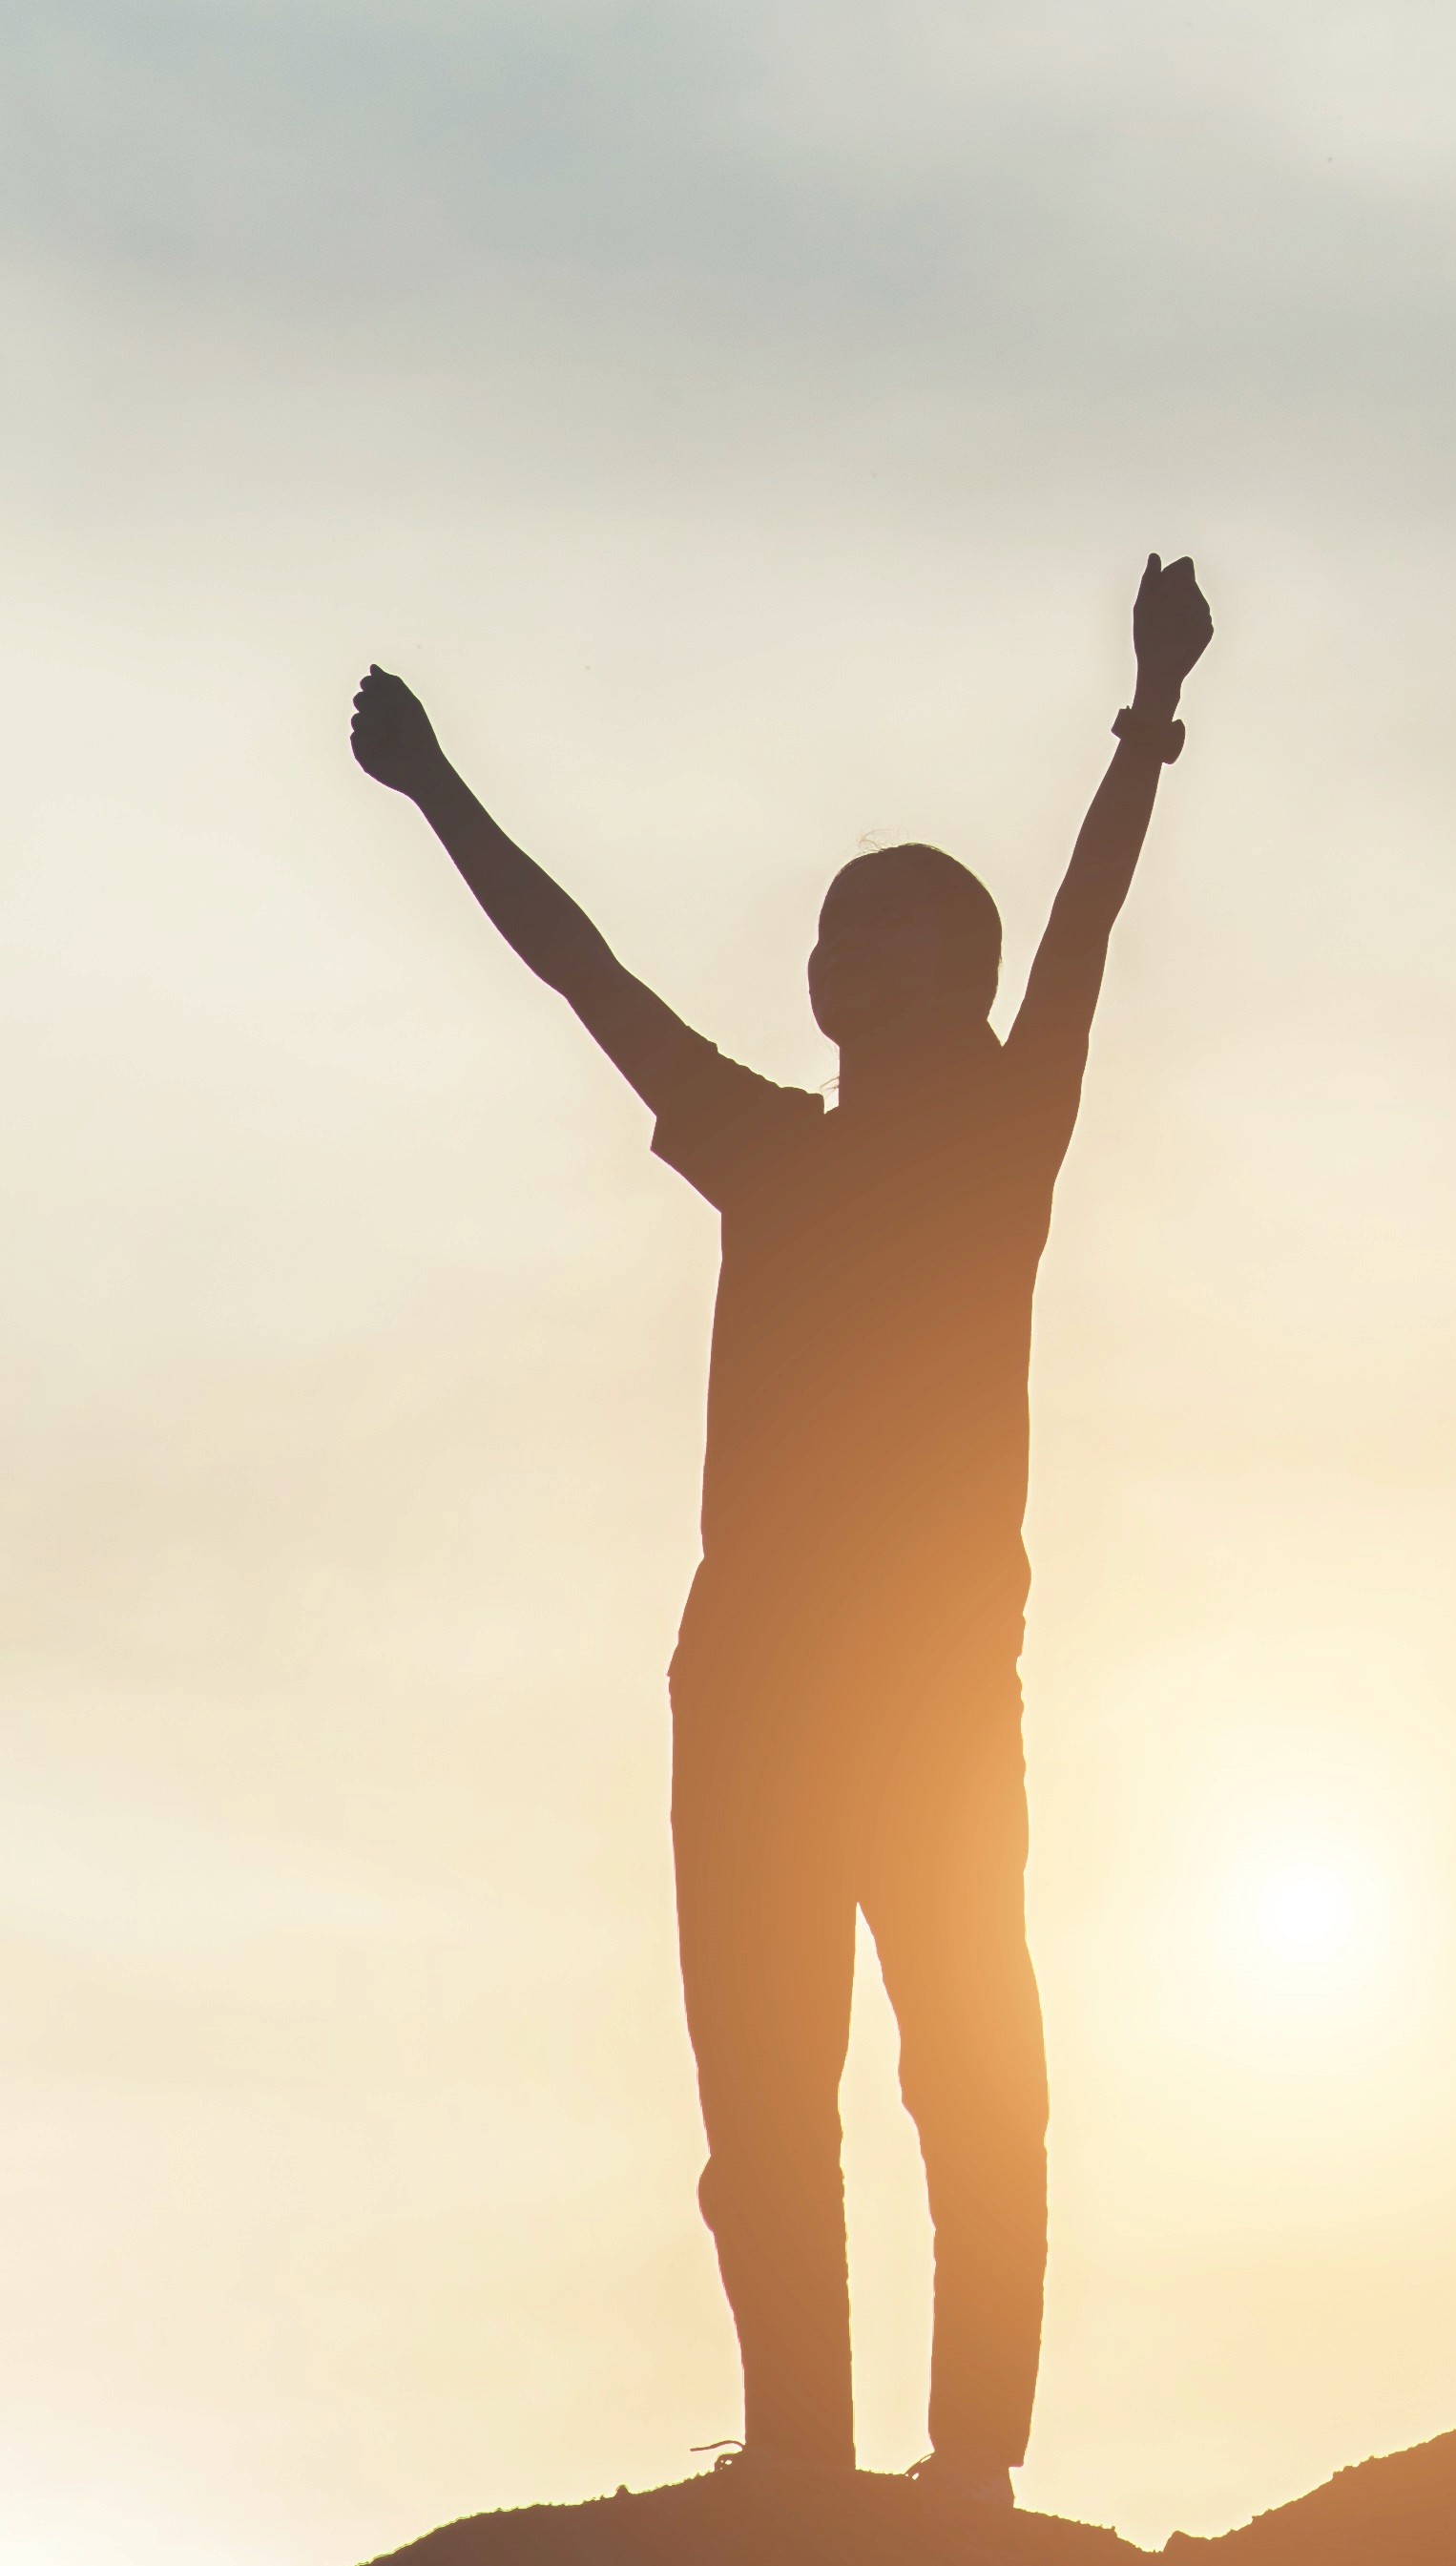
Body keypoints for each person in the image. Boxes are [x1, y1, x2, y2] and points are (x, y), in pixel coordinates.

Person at [344, 553, 1215, 2499]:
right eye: (836, 938)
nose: (848, 964)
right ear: (816, 985)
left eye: (889, 941)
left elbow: (1084, 927)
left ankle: (968, 2469)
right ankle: (804, 2467)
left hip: (929, 1692)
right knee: (763, 2095)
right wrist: (436, 790)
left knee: (975, 2077)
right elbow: (581, 969)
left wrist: (1147, 715)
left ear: (953, 985)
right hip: (745, 1692)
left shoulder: (1002, 1139)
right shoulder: (767, 1150)